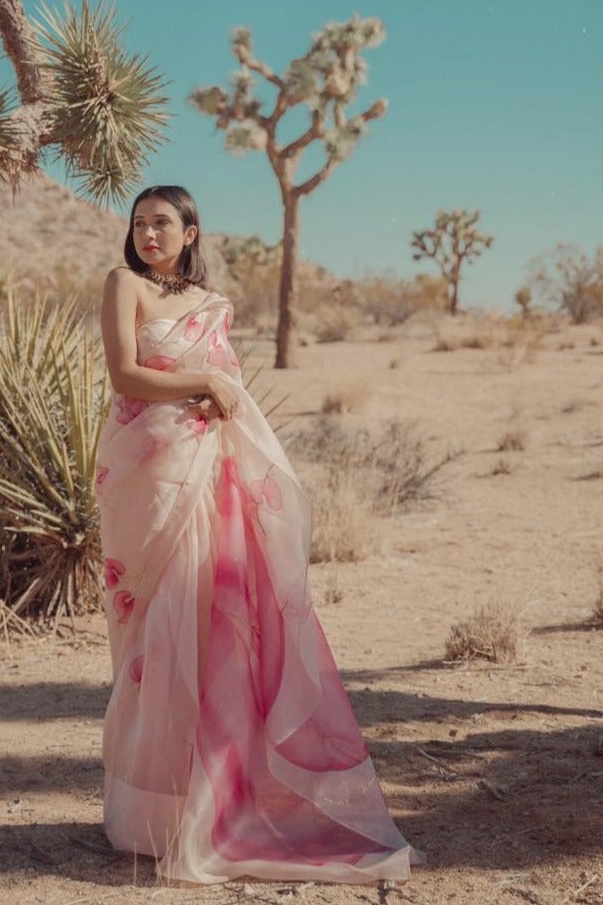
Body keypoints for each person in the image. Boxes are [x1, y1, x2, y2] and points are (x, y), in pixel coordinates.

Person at [96, 184, 420, 885]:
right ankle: (148, 816)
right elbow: (124, 373)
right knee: (152, 634)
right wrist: (202, 384)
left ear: (191, 232)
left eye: (162, 224)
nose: (148, 234)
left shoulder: (212, 307)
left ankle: (210, 807)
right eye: (139, 223)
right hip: (147, 479)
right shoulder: (124, 284)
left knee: (212, 628)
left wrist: (213, 387)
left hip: (211, 475)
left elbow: (227, 389)